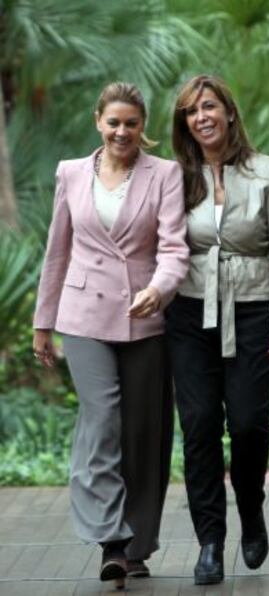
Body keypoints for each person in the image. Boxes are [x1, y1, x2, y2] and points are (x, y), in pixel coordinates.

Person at [32, 82, 189, 587]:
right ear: (98, 121)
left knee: (144, 432)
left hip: (145, 317)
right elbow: (57, 250)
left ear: (144, 127)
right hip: (82, 318)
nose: (123, 131)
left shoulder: (164, 174)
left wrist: (161, 289)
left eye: (133, 123)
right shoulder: (71, 173)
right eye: (114, 122)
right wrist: (43, 321)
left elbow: (174, 248)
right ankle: (113, 541)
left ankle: (138, 544)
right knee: (102, 422)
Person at [166, 74, 269, 585]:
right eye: (190, 112)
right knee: (198, 425)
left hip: (252, 312)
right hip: (189, 314)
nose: (201, 117)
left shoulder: (268, 173)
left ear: (228, 111)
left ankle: (252, 507)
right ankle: (209, 543)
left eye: (208, 107)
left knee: (246, 422)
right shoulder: (175, 176)